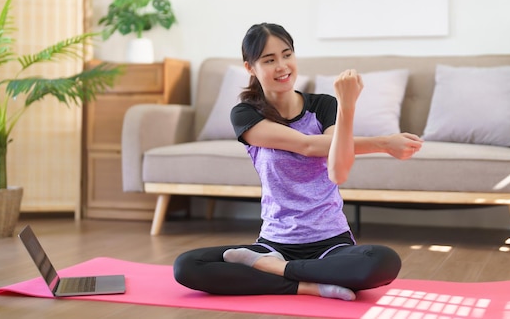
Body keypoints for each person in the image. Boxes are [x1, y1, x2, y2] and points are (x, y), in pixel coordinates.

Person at [174, 23, 424, 301]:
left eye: (287, 54)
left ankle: (279, 271)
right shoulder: (245, 115)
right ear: (250, 68)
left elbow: (338, 170)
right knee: (187, 266)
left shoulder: (324, 105)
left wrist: (347, 107)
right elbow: (307, 145)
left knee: (383, 261)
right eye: (269, 60)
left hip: (331, 243)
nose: (282, 66)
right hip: (274, 243)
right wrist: (383, 143)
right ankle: (307, 284)